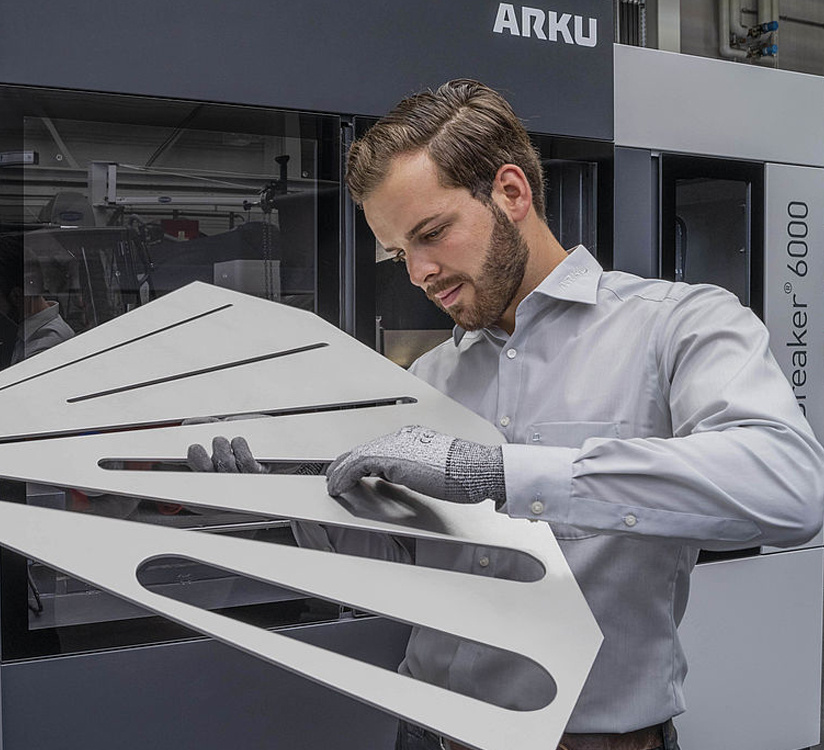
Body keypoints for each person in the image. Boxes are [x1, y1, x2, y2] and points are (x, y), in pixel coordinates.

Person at [188, 79, 824, 750]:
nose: (420, 274)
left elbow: (787, 487)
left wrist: (494, 471)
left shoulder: (679, 326)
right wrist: (292, 493)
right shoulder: (432, 376)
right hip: (428, 730)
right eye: (401, 253)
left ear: (511, 193)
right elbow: (405, 567)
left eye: (432, 234)